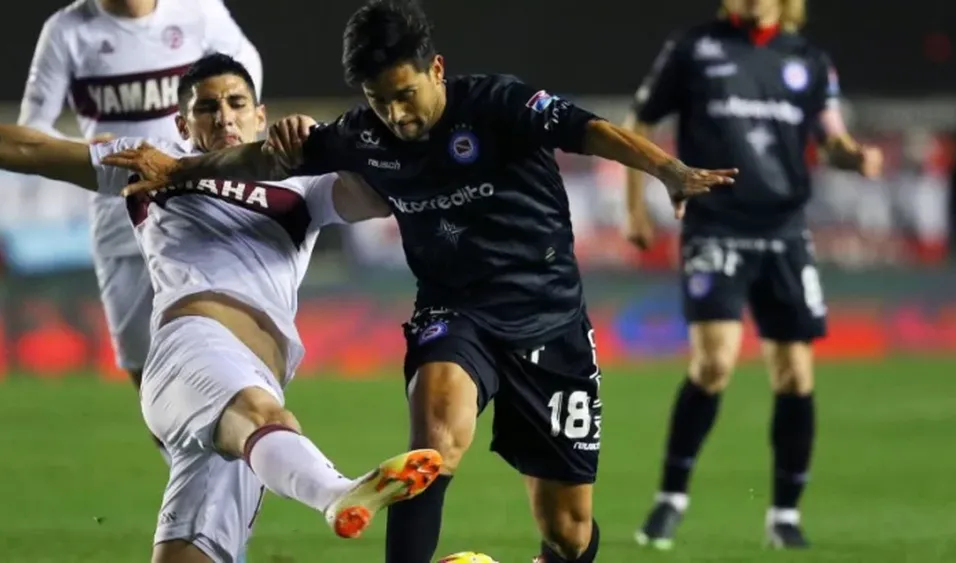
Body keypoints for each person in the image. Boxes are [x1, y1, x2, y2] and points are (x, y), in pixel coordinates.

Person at [101, 2, 737, 561]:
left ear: (436, 69)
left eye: (406, 95)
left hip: (550, 320)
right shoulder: (363, 134)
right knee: (433, 440)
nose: (397, 115)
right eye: (380, 100)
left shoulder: (497, 103)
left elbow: (590, 131)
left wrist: (668, 170)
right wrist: (179, 171)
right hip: (455, 314)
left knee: (568, 532)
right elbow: (264, 158)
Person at [0, 53, 442, 563]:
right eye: (206, 107)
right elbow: (28, 149)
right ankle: (335, 491)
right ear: (183, 125)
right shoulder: (153, 164)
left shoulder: (304, 186)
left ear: (259, 115)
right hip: (192, 352)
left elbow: (378, 196)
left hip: (257, 407)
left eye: (236, 103)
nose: (224, 116)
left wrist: (326, 144)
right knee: (262, 412)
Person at [621, 0, 883, 550]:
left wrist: (855, 156)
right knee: (714, 363)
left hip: (785, 231)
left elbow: (831, 140)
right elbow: (638, 120)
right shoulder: (693, 48)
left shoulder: (808, 60)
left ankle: (784, 516)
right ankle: (671, 499)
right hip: (715, 226)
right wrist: (635, 205)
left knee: (795, 374)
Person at [19, 0, 263, 460]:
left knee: (227, 355)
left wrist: (222, 149)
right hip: (119, 214)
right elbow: (33, 128)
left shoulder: (198, 11)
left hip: (197, 209)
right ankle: (185, 471)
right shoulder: (67, 30)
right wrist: (82, 147)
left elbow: (246, 71)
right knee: (144, 370)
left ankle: (245, 464)